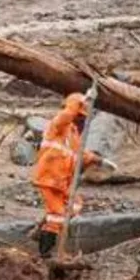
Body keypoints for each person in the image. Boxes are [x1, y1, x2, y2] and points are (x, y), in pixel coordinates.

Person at [30, 91, 113, 258]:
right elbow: (67, 115)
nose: (82, 121)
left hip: (62, 181)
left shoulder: (73, 134)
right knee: (57, 216)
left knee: (74, 206)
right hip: (49, 178)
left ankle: (42, 232)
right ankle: (46, 253)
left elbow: (81, 154)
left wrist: (100, 161)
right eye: (80, 117)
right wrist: (81, 101)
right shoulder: (58, 126)